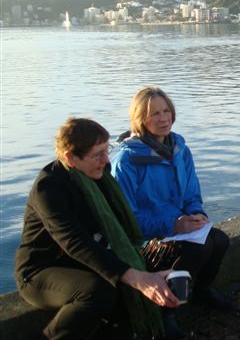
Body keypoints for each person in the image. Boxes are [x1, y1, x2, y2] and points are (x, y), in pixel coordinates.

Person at [15, 117, 177, 340]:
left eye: (106, 150)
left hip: (81, 261)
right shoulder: (49, 187)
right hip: (42, 270)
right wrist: (133, 276)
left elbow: (117, 230)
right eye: (97, 154)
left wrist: (143, 264)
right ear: (71, 158)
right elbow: (74, 242)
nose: (105, 160)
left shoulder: (98, 175)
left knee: (156, 261)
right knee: (97, 290)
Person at [112, 86, 233, 337]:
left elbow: (191, 192)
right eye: (154, 113)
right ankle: (164, 312)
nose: (163, 118)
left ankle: (201, 290)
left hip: (179, 227)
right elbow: (126, 219)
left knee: (220, 240)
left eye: (166, 110)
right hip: (147, 239)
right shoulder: (127, 160)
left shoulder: (179, 149)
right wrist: (173, 224)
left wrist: (196, 213)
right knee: (199, 247)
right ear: (140, 119)